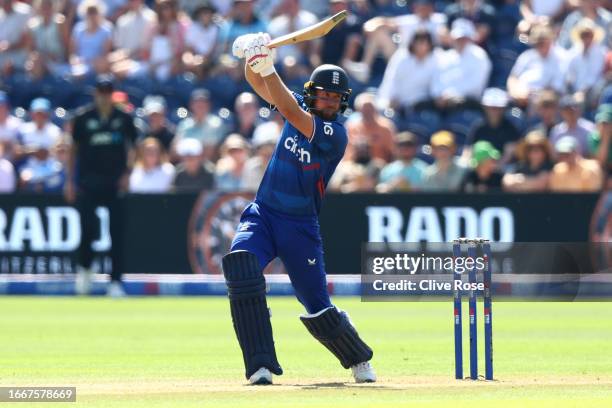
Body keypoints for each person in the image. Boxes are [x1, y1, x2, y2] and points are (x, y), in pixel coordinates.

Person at [225, 32, 375, 385]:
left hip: (299, 227)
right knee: (241, 268)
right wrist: (254, 56)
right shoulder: (296, 104)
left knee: (318, 309)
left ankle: (357, 357)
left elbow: (289, 109)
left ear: (342, 103)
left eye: (334, 98)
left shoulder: (335, 134)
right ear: (312, 93)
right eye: (322, 95)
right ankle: (260, 365)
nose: (327, 102)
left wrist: (267, 63)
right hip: (264, 214)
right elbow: (257, 82)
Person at [65, 75, 137, 297]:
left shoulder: (123, 118)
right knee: (88, 229)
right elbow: (72, 150)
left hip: (115, 183)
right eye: (101, 92)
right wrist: (69, 181)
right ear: (95, 94)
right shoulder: (83, 118)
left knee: (117, 232)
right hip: (88, 183)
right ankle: (85, 271)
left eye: (108, 92)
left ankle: (115, 281)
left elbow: (133, 147)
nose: (104, 97)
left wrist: (128, 173)